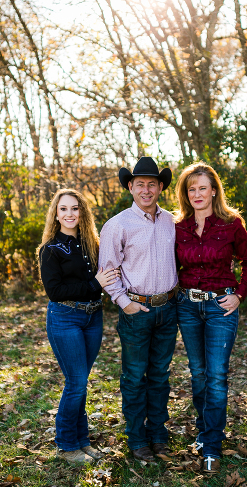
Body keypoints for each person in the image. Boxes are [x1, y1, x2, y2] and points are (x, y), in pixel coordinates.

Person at [174, 162, 247, 473]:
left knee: (217, 375)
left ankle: (212, 444)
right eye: (191, 188)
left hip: (220, 307)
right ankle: (205, 427)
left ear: (214, 191)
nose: (197, 193)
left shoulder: (231, 224)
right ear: (186, 193)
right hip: (187, 306)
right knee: (198, 374)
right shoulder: (178, 226)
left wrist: (239, 295)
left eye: (202, 188)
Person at [98, 156, 178, 462]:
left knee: (159, 374)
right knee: (134, 375)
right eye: (140, 184)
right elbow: (107, 270)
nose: (147, 190)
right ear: (130, 187)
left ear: (160, 187)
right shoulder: (117, 225)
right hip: (137, 309)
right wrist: (124, 303)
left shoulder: (171, 221)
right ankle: (136, 436)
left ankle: (158, 432)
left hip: (167, 308)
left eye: (152, 184)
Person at [38, 189, 120, 464]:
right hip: (65, 318)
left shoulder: (92, 244)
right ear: (56, 214)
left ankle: (82, 441)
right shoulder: (50, 250)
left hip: (92, 317)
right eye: (64, 209)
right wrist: (96, 284)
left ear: (82, 212)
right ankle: (66, 445)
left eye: (75, 208)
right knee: (76, 382)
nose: (70, 214)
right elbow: (56, 291)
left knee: (81, 382)